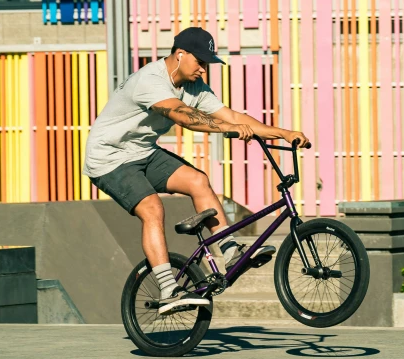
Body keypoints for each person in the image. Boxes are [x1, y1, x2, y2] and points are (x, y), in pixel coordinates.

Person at [83, 26, 311, 315]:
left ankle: (229, 252)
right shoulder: (150, 80)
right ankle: (168, 288)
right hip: (109, 157)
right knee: (152, 208)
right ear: (180, 55)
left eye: (207, 64)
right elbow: (184, 117)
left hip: (143, 152)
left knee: (198, 181)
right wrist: (229, 128)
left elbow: (233, 116)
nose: (204, 69)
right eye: (200, 62)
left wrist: (282, 132)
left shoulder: (194, 88)